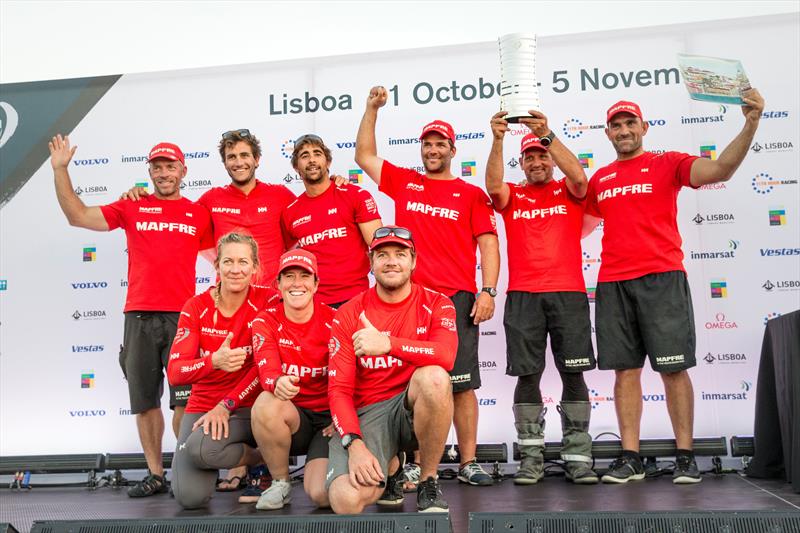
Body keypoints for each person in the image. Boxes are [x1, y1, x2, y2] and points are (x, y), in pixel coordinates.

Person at [584, 90, 765, 484]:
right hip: (613, 282)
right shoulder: (600, 178)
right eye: (616, 125)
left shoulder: (667, 163)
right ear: (608, 134)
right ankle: (629, 456)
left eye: (630, 123)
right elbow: (573, 227)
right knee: (625, 372)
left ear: (644, 128)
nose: (624, 130)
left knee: (674, 369)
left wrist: (750, 122)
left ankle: (686, 456)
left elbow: (720, 171)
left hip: (662, 278)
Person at [50, 136, 212, 497]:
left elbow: (224, 258)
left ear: (183, 171)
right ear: (149, 172)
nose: (164, 172)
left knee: (185, 403)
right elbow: (77, 215)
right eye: (157, 166)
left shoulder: (198, 213)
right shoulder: (131, 206)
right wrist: (61, 169)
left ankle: (185, 471)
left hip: (183, 318)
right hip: (138, 315)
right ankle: (156, 474)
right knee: (145, 401)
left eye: (171, 166)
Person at [356, 86, 500, 487]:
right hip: (408, 299)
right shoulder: (405, 183)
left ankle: (468, 462)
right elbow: (364, 156)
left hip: (455, 299)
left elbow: (489, 243)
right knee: (413, 383)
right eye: (427, 144)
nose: (433, 150)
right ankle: (419, 462)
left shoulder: (471, 194)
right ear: (421, 149)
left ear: (453, 150)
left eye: (441, 144)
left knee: (463, 384)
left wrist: (488, 291)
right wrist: (372, 109)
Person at [486, 110, 599, 485]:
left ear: (551, 157)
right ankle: (531, 458)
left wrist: (547, 134)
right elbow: (493, 185)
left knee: (573, 372)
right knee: (528, 374)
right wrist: (499, 139)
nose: (536, 161)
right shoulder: (513, 194)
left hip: (568, 294)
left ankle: (578, 456)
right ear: (523, 163)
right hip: (523, 296)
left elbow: (580, 176)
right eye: (530, 157)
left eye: (542, 155)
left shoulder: (569, 190)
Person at [326, 226, 457, 513]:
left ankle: (428, 481)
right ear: (371, 262)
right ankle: (392, 468)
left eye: (400, 254)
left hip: (412, 408)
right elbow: (339, 390)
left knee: (434, 377)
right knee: (345, 501)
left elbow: (446, 356)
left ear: (414, 261)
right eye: (382, 255)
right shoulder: (349, 312)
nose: (391, 261)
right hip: (370, 413)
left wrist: (388, 343)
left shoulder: (437, 303)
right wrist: (354, 445)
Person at [167, 232, 279, 509]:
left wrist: (226, 405)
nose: (235, 269)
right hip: (204, 404)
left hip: (250, 407)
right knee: (189, 498)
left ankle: (264, 458)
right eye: (228, 261)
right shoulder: (196, 306)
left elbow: (265, 366)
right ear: (216, 266)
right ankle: (254, 456)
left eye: (243, 262)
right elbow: (176, 372)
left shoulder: (269, 300)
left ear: (255, 267)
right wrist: (213, 361)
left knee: (201, 448)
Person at [250, 249, 336, 510]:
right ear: (278, 285)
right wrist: (277, 382)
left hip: (328, 422)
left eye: (304, 276)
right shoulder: (265, 319)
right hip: (295, 417)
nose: (296, 283)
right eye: (289, 276)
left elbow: (351, 378)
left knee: (321, 496)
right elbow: (268, 370)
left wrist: (342, 418)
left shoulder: (335, 319)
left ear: (316, 284)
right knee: (266, 403)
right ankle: (281, 483)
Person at [281, 134, 382, 307]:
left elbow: (379, 246)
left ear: (327, 162)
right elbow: (287, 257)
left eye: (317, 153)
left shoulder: (354, 195)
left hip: (356, 299)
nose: (312, 160)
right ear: (296, 167)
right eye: (304, 156)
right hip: (313, 304)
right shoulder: (291, 212)